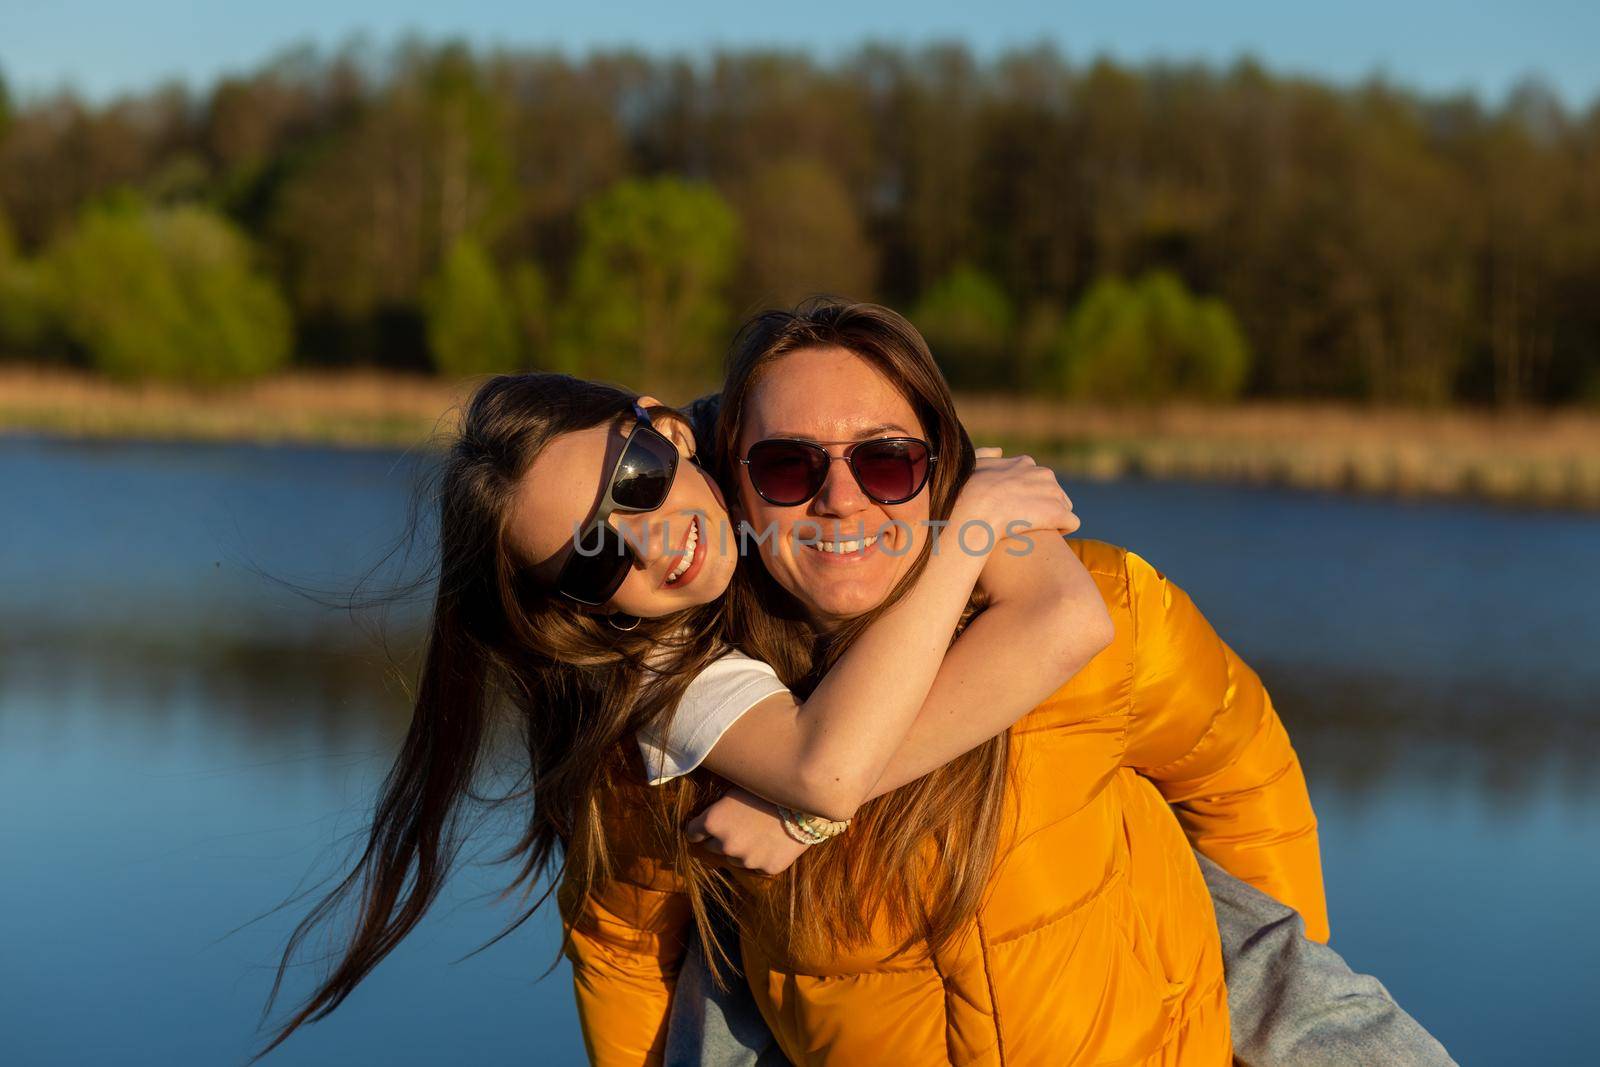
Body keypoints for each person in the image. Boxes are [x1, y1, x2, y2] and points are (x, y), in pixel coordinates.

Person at [561, 301, 1455, 1065]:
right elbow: (628, 938)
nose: (840, 499)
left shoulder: (1100, 609)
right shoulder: (695, 722)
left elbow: (1241, 772)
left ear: (940, 465)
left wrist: (1259, 1010)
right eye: (788, 467)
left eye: (886, 462)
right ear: (734, 483)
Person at [255, 370, 1113, 1059]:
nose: (652, 542)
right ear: (574, 608)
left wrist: (795, 813)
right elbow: (830, 767)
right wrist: (968, 530)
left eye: (636, 484)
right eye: (594, 564)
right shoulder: (657, 676)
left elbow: (1076, 617)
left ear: (665, 431)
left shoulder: (782, 444)